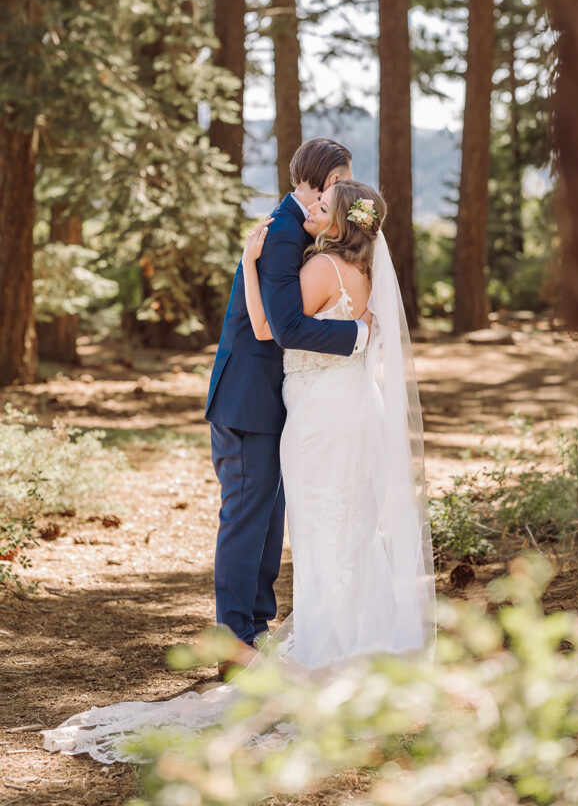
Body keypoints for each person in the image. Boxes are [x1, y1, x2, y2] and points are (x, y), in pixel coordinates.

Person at [41, 175, 434, 763]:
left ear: (342, 221)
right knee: (348, 526)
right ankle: (354, 632)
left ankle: (328, 643)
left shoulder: (321, 269)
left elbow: (271, 327)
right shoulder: (366, 273)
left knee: (321, 528)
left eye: (325, 206)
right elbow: (339, 332)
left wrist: (249, 267)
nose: (314, 210)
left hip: (320, 418)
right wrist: (351, 332)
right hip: (349, 410)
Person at [204, 138, 372, 669]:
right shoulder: (280, 235)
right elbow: (282, 328)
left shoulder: (296, 228)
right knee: (247, 518)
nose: (343, 190)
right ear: (327, 179)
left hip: (279, 401)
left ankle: (254, 628)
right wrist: (357, 337)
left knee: (268, 520)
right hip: (248, 400)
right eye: (341, 180)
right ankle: (233, 639)